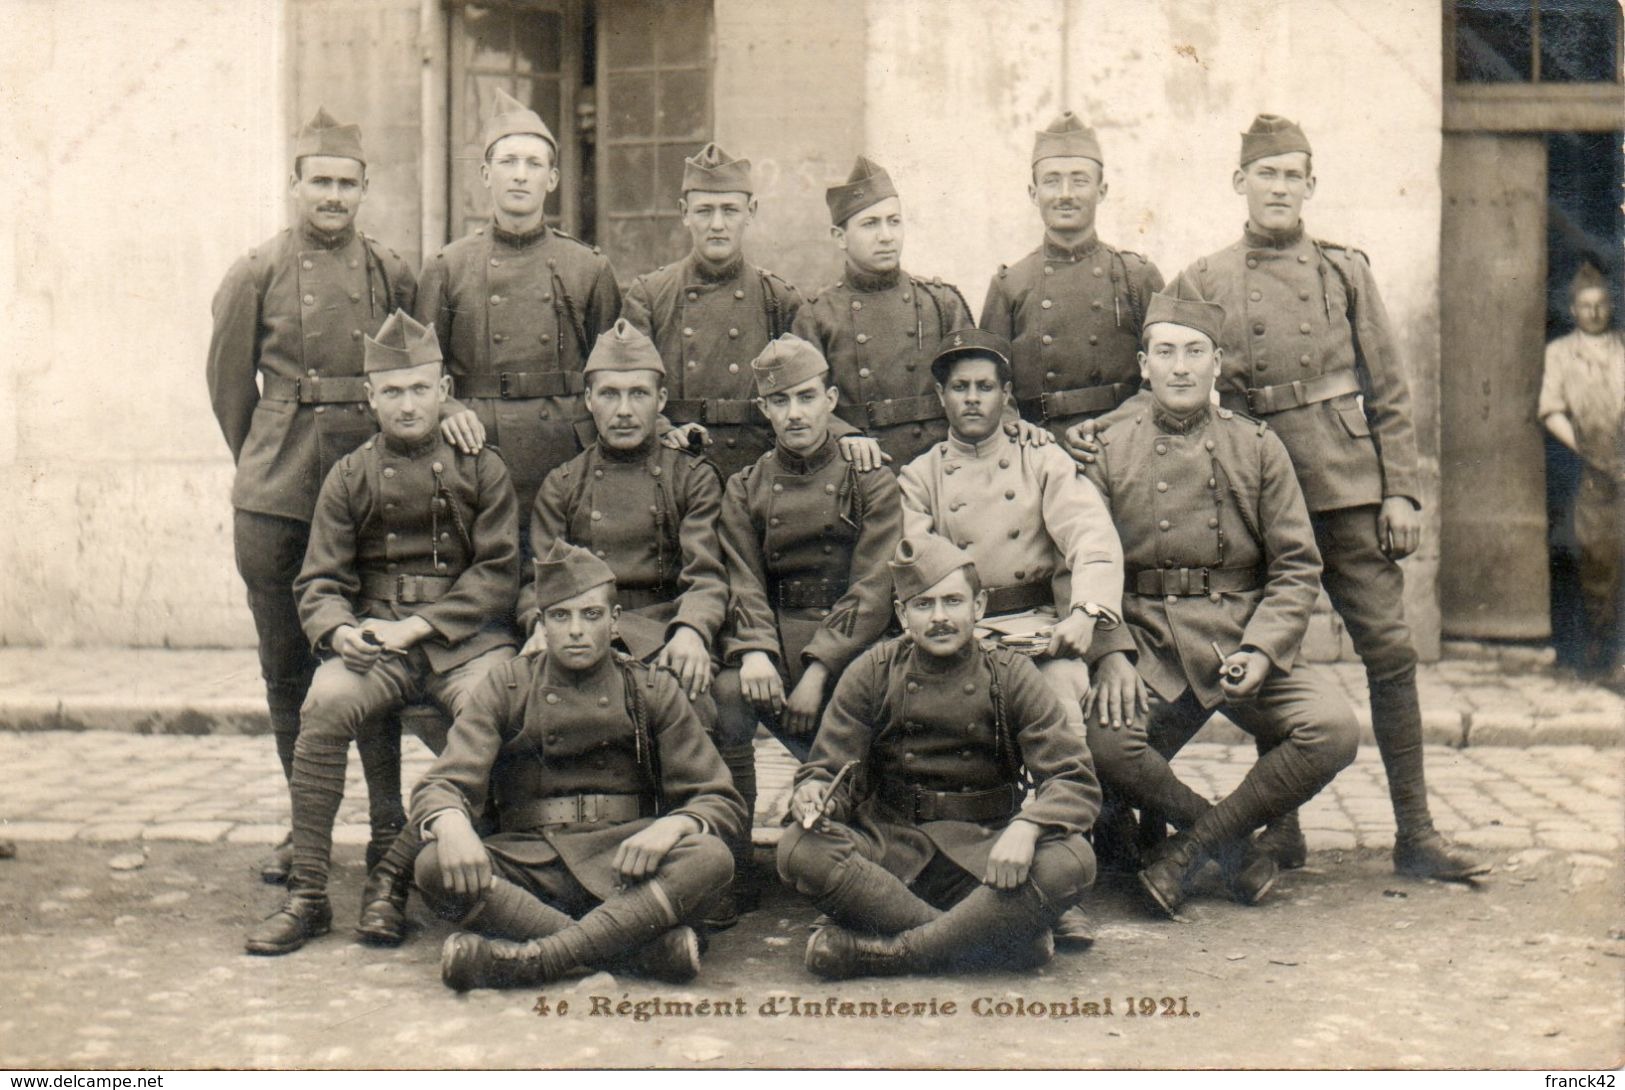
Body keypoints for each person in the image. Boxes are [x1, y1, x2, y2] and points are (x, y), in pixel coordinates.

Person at [1067, 115, 1483, 881]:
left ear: (1310, 187)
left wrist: (1402, 492)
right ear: (1240, 184)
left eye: (1292, 175)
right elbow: (1166, 371)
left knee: (1389, 653)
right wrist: (1107, 429)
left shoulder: (1342, 271)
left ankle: (1415, 831)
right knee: (1265, 644)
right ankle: (1278, 830)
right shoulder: (1204, 277)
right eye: (1266, 174)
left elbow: (1387, 385)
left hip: (1343, 486)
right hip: (1245, 493)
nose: (1279, 188)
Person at [244, 310, 521, 955]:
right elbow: (318, 581)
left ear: (444, 389)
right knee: (325, 703)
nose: (406, 404)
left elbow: (500, 573)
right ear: (370, 398)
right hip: (375, 636)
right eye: (391, 391)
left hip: (465, 639)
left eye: (420, 388)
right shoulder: (350, 475)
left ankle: (392, 876)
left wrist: (421, 627)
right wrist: (339, 632)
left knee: (495, 708)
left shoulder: (482, 468)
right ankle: (309, 893)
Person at [1082, 292, 1360, 917]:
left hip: (1236, 636)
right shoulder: (1106, 449)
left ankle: (1188, 850)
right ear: (1143, 364)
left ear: (1217, 363)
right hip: (1148, 642)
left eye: (1195, 352)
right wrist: (1111, 655)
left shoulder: (1258, 447)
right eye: (1166, 353)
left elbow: (1296, 566)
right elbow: (1080, 567)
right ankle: (1229, 847)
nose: (1180, 367)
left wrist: (1263, 649)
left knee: (1333, 728)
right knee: (1101, 745)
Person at [207, 108, 421, 885]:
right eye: (318, 181)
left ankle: (390, 822)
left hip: (371, 494)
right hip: (278, 497)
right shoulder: (254, 272)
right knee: (288, 669)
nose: (331, 195)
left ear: (365, 188)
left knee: (373, 658)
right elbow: (230, 391)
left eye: (345, 183)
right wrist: (267, 461)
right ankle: (306, 836)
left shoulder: (392, 272)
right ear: (294, 184)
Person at [413, 542, 747, 991]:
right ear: (542, 623)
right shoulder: (506, 685)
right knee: (434, 863)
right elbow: (444, 782)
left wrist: (674, 827)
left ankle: (536, 958)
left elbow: (717, 798)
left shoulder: (651, 688)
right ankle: (639, 951)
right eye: (560, 616)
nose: (575, 631)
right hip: (531, 862)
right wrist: (451, 823)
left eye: (590, 616)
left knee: (711, 857)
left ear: (613, 622)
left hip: (627, 860)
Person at [775, 536, 1100, 980]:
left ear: (979, 606)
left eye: (953, 601)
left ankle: (892, 951)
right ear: (901, 612)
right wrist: (816, 795)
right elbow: (830, 770)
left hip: (985, 851)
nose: (940, 617)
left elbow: (1073, 778)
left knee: (1074, 859)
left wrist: (1029, 826)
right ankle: (993, 940)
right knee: (797, 846)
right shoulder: (872, 671)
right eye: (923, 604)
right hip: (890, 850)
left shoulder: (1011, 673)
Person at [713, 333, 904, 903]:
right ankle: (731, 861)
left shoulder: (869, 477)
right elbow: (741, 578)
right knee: (724, 696)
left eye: (805, 397)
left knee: (872, 728)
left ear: (830, 398)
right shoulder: (745, 486)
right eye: (780, 402)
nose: (794, 414)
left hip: (854, 644)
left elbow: (873, 586)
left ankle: (863, 846)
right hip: (775, 631)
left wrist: (820, 668)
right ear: (763, 410)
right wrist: (753, 653)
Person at [415, 88, 621, 545]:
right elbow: (423, 368)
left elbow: (611, 371)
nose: (521, 176)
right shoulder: (448, 267)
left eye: (534, 164)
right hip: (476, 449)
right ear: (486, 174)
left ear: (552, 179)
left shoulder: (589, 268)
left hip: (564, 452)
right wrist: (447, 407)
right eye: (508, 162)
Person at [518, 319, 727, 707]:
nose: (625, 410)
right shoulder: (563, 484)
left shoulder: (692, 478)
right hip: (587, 633)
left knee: (694, 702)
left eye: (639, 394)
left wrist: (692, 630)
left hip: (667, 629)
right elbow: (538, 582)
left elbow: (707, 576)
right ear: (588, 399)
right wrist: (539, 627)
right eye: (610, 394)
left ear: (661, 399)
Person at [979, 111, 1164, 440]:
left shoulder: (1137, 276)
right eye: (1052, 181)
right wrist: (1012, 425)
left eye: (1079, 180)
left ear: (1102, 190)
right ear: (1033, 193)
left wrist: (1114, 428)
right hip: (1039, 448)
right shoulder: (1010, 285)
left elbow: (1162, 377)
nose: (1066, 193)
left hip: (1125, 440)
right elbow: (987, 382)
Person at [790, 157, 980, 467]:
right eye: (870, 224)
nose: (886, 235)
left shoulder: (941, 303)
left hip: (942, 466)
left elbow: (980, 382)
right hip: (861, 466)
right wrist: (843, 434)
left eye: (894, 221)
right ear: (839, 237)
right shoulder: (817, 315)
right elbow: (802, 400)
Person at [1540, 262, 1625, 684]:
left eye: (1601, 305)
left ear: (1611, 307)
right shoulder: (1559, 353)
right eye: (1584, 306)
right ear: (1572, 310)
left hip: (1622, 463)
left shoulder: (1623, 348)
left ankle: (1613, 658)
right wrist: (1586, 449)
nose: (1593, 313)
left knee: (1618, 557)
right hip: (1579, 464)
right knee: (1578, 556)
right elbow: (1551, 407)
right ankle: (1575, 657)